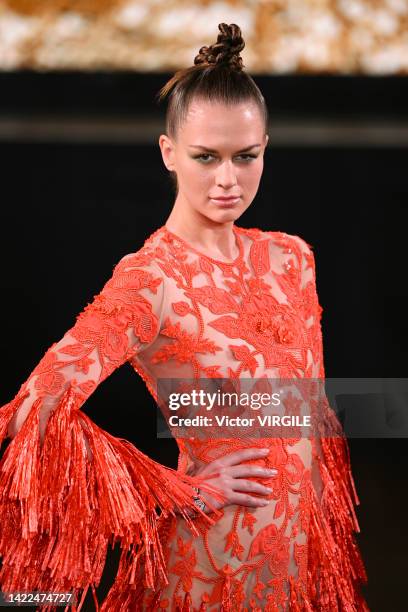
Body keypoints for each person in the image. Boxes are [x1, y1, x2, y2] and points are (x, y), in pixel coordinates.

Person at [0, 22, 368, 612]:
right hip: (209, 564)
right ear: (169, 153)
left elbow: (301, 411)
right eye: (206, 157)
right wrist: (171, 490)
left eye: (245, 156)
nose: (228, 179)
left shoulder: (292, 258)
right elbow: (34, 411)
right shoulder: (152, 280)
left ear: (265, 149)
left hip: (303, 563)